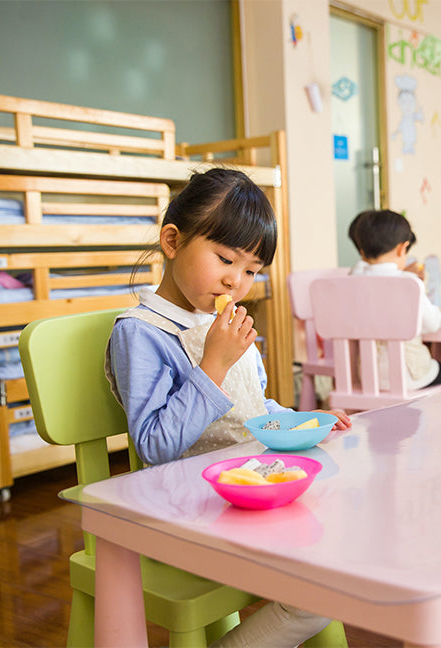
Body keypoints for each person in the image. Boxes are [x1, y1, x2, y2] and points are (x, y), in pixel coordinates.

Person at [106, 167, 349, 648]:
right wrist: (212, 363)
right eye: (225, 259)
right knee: (324, 588)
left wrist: (305, 420)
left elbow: (250, 409)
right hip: (188, 508)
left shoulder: (225, 323)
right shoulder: (140, 332)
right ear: (173, 241)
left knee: (346, 544)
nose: (236, 282)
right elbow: (154, 444)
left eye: (252, 270)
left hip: (248, 489)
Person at [348, 209, 441, 392]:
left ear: (362, 251)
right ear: (402, 248)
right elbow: (432, 324)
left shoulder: (352, 283)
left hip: (368, 376)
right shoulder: (409, 283)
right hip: (409, 375)